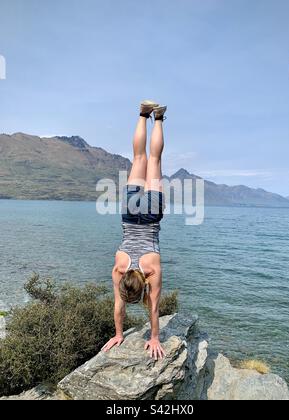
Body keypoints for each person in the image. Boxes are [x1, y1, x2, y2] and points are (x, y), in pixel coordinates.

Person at [102, 100, 167, 360]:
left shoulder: (152, 272)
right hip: (129, 215)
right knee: (139, 158)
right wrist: (117, 332)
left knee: (154, 158)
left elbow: (153, 309)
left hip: (151, 216)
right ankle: (144, 113)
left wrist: (153, 337)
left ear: (141, 287)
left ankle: (159, 118)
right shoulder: (119, 268)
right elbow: (118, 306)